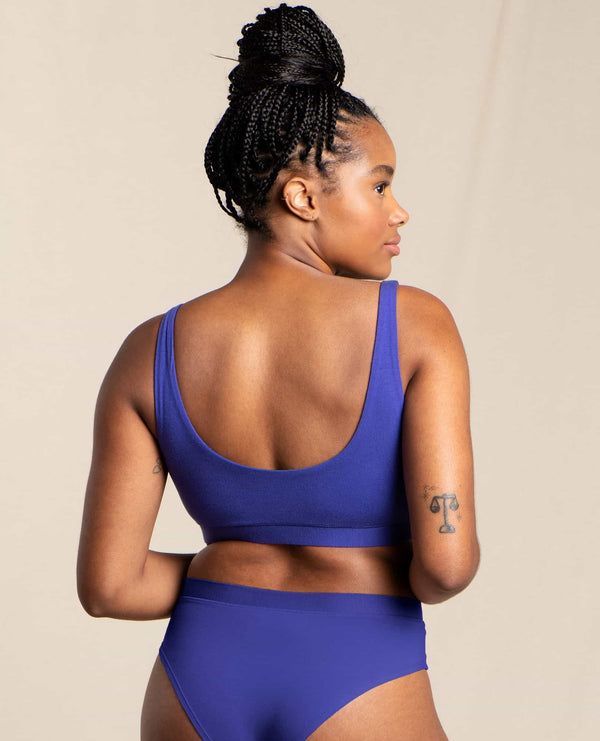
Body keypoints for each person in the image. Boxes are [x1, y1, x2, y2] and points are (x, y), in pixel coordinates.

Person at [76, 4, 480, 739]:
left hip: (197, 679)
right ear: (303, 196)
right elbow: (445, 567)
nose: (399, 213)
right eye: (380, 186)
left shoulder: (149, 350)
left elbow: (110, 587)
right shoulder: (416, 325)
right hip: (359, 670)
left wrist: (239, 566)